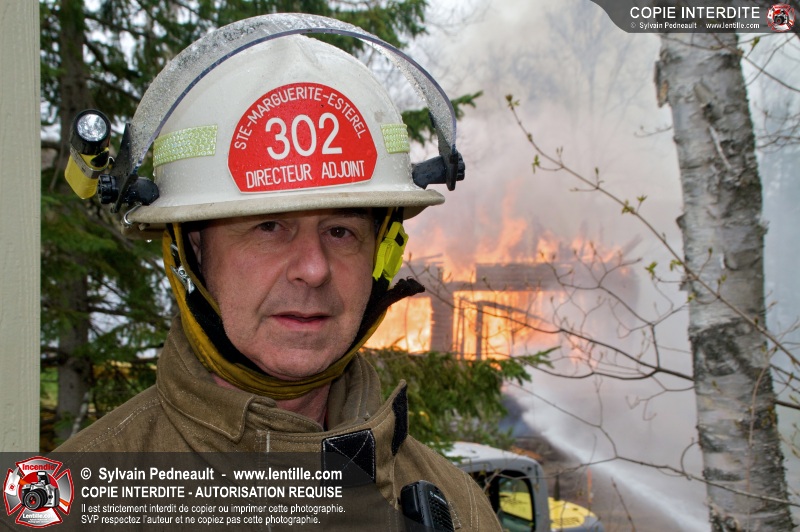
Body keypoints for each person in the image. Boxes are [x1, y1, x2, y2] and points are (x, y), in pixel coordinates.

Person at [56, 13, 500, 531]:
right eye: (269, 227)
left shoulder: (460, 510)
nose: (313, 270)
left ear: (382, 255)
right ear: (191, 251)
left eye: (341, 231)